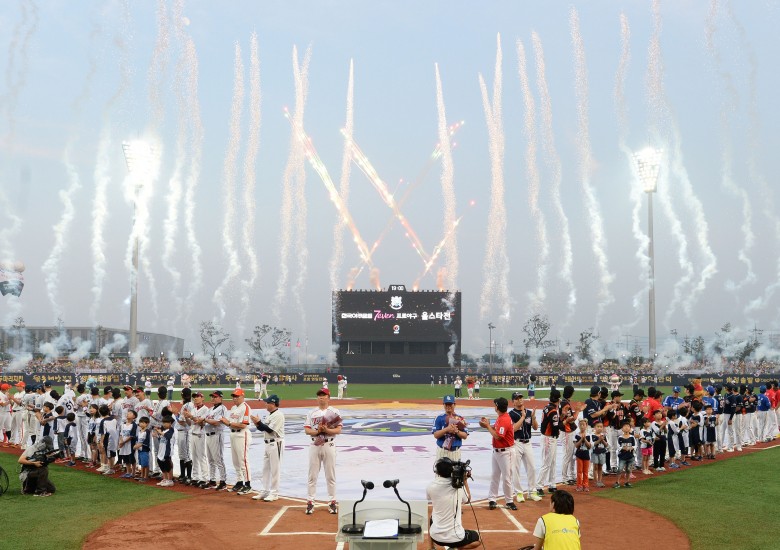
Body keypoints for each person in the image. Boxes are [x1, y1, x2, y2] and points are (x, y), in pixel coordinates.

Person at [426, 458, 481, 550]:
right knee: (479, 539)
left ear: (437, 472)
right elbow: (467, 499)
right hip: (456, 538)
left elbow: (429, 498)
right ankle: (455, 549)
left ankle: (431, 548)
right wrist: (465, 481)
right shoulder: (458, 487)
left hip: (435, 536)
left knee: (431, 517)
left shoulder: (430, 486)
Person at [303, 388, 343, 515]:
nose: (321, 397)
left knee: (330, 475)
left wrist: (326, 430)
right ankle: (310, 502)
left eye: (323, 395)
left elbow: (338, 430)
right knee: (312, 475)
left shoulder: (334, 412)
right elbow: (307, 431)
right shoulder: (311, 412)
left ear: (328, 397)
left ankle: (332, 502)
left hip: (329, 444)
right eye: (319, 395)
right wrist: (318, 432)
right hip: (315, 443)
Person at [480, 397, 517, 511]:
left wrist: (487, 427)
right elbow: (497, 431)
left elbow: (498, 436)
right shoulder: (501, 417)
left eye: (495, 405)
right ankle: (492, 499)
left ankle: (509, 501)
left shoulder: (504, 419)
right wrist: (487, 426)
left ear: (497, 407)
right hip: (497, 451)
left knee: (507, 477)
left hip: (506, 452)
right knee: (495, 476)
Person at [508, 392, 542, 503]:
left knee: (531, 467)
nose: (520, 400)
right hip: (516, 443)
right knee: (516, 468)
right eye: (517, 398)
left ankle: (532, 492)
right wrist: (522, 418)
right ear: (513, 402)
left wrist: (533, 418)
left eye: (521, 398)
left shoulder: (529, 412)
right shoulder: (511, 414)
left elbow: (536, 427)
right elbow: (513, 429)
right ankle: (519, 492)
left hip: (527, 443)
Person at [251, 394, 285, 501]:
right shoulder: (270, 415)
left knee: (275, 469)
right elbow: (263, 429)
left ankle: (274, 493)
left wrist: (259, 422)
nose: (266, 404)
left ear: (273, 404)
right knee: (265, 469)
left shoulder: (278, 415)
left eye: (268, 402)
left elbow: (271, 430)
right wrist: (257, 424)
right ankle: (265, 491)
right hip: (267, 444)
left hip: (276, 443)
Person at [222, 387, 252, 494]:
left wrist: (228, 423)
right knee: (236, 461)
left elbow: (243, 425)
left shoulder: (245, 407)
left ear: (242, 396)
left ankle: (248, 484)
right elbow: (230, 422)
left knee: (243, 460)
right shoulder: (234, 408)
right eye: (233, 396)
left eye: (237, 396)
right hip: (233, 434)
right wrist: (226, 422)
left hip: (242, 435)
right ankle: (239, 482)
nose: (235, 398)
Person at [537, 389, 561, 496]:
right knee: (547, 462)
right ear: (558, 399)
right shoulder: (553, 410)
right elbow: (555, 425)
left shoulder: (547, 407)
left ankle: (552, 485)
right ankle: (539, 486)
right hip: (549, 438)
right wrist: (558, 432)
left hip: (549, 437)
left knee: (553, 461)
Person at [202, 390, 228, 491]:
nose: (213, 398)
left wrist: (205, 420)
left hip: (216, 435)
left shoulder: (222, 408)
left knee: (218, 459)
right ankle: (212, 480)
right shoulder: (210, 409)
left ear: (221, 398)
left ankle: (223, 481)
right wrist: (201, 421)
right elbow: (206, 421)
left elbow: (217, 423)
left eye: (215, 397)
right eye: (212, 396)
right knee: (211, 460)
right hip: (208, 435)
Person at [432, 395, 468, 461]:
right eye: (446, 404)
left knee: (456, 471)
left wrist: (456, 431)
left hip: (455, 452)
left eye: (450, 404)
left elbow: (465, 436)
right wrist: (447, 429)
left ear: (454, 404)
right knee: (441, 471)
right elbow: (436, 435)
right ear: (443, 404)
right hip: (442, 451)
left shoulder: (460, 419)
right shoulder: (439, 418)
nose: (448, 406)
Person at [184, 391, 208, 487]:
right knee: (194, 457)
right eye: (194, 397)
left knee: (201, 457)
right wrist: (186, 417)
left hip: (200, 435)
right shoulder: (193, 409)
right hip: (192, 434)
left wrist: (191, 416)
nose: (195, 398)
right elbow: (191, 423)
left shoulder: (206, 410)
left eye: (198, 396)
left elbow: (201, 423)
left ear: (202, 398)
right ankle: (195, 477)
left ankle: (204, 478)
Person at [559, 386, 577, 485]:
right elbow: (571, 418)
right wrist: (578, 411)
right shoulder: (565, 403)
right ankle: (565, 477)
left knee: (570, 455)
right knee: (567, 455)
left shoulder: (563, 402)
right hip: (567, 431)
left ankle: (571, 475)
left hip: (568, 431)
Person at [175, 387, 194, 484]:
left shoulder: (188, 405)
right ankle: (183, 475)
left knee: (186, 454)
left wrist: (175, 414)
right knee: (182, 454)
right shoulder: (186, 404)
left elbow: (182, 421)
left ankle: (189, 476)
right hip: (180, 431)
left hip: (185, 431)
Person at [155, 415, 176, 487]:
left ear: (170, 423)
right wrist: (157, 435)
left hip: (167, 451)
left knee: (168, 466)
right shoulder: (163, 430)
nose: (163, 424)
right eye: (163, 422)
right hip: (161, 450)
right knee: (161, 464)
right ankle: (165, 479)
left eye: (165, 423)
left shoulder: (171, 430)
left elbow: (168, 437)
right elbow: (161, 439)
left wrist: (160, 432)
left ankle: (170, 480)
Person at [614, 420, 636, 488]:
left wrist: (631, 448)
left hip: (630, 456)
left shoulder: (632, 437)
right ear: (622, 428)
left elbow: (635, 446)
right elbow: (618, 447)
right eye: (625, 426)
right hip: (622, 457)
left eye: (628, 426)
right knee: (620, 469)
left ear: (630, 428)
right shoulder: (620, 438)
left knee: (628, 470)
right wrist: (624, 448)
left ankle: (627, 482)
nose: (626, 428)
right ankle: (617, 482)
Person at [573, 419, 592, 492]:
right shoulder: (576, 435)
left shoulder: (589, 435)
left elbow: (589, 446)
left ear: (586, 425)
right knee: (579, 471)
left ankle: (586, 485)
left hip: (586, 455)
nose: (582, 426)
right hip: (579, 455)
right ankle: (579, 485)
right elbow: (576, 446)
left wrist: (585, 439)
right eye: (580, 425)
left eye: (583, 425)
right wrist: (581, 439)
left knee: (585, 472)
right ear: (578, 426)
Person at [590, 421, 608, 488]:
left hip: (602, 453)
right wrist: (599, 440)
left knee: (600, 467)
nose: (600, 428)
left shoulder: (604, 435)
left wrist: (602, 440)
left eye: (601, 427)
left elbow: (606, 445)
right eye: (598, 426)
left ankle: (600, 481)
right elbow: (592, 444)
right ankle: (596, 481)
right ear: (595, 427)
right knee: (595, 467)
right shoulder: (592, 435)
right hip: (595, 453)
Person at [134, 416, 151, 482]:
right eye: (140, 422)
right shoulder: (139, 431)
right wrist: (136, 445)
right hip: (140, 450)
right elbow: (137, 440)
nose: (141, 424)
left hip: (145, 450)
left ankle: (146, 477)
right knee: (142, 464)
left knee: (145, 464)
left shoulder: (147, 431)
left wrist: (138, 445)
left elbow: (146, 441)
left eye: (143, 423)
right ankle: (142, 475)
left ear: (147, 424)